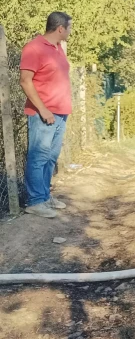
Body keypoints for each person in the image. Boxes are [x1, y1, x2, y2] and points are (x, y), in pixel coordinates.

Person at [19, 12, 73, 218]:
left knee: (50, 157)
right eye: (69, 28)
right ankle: (34, 201)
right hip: (43, 113)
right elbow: (25, 81)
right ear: (60, 29)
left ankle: (44, 196)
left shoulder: (58, 48)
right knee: (38, 157)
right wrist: (42, 109)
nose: (70, 31)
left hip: (60, 112)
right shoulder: (34, 48)